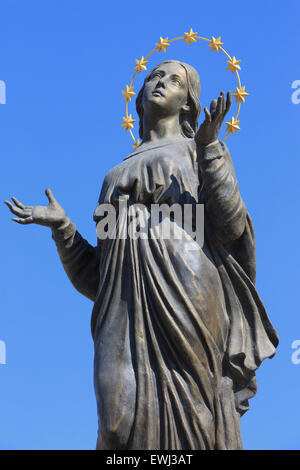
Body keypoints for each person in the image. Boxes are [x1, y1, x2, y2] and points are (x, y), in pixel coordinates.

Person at [5, 60, 278, 450]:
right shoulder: (113, 176)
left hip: (187, 298)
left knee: (193, 422)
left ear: (189, 102)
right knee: (115, 425)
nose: (160, 82)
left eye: (174, 79)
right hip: (122, 312)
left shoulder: (198, 150)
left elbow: (232, 226)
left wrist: (211, 147)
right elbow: (99, 278)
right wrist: (63, 228)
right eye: (154, 76)